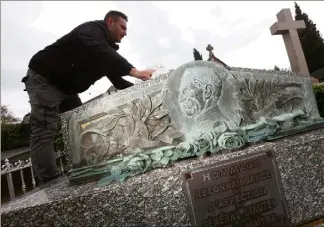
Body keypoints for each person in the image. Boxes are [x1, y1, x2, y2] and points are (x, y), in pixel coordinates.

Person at [22, 10, 155, 185]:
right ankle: (48, 181)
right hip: (45, 78)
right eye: (122, 27)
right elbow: (99, 50)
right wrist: (135, 71)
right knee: (45, 127)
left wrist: (146, 91)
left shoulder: (105, 51)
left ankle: (88, 166)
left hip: (68, 89)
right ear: (110, 22)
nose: (125, 32)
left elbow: (118, 81)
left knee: (82, 125)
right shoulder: (91, 30)